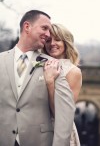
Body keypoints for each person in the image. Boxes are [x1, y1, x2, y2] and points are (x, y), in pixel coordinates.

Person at [0, 10, 75, 146]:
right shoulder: (1, 60)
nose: (48, 35)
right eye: (44, 28)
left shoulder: (54, 65)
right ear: (27, 27)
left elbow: (65, 114)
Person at [43, 23, 82, 146]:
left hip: (59, 134)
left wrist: (50, 82)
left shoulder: (73, 71)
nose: (52, 43)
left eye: (58, 39)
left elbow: (61, 114)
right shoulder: (38, 65)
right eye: (48, 40)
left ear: (66, 42)